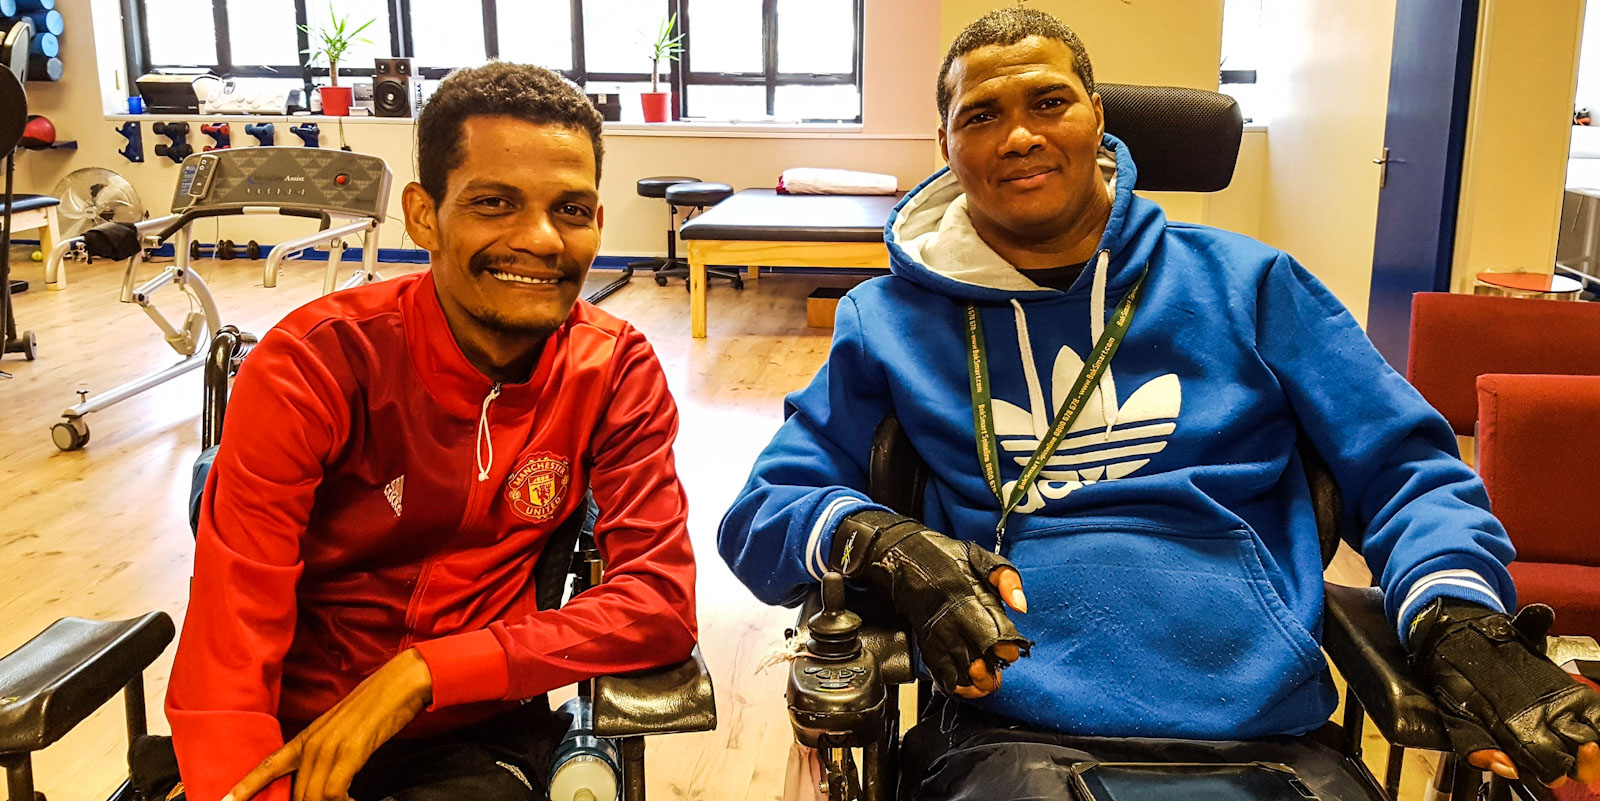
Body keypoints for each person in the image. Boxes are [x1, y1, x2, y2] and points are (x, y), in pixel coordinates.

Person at [718, 8, 1600, 800]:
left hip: (1265, 726)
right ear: (944, 143)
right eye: (980, 115)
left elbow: (1407, 468)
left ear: (1098, 117)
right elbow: (764, 511)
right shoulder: (888, 320)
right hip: (1010, 725)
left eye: (1049, 102)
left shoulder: (1251, 283)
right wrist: (887, 544)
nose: (1019, 136)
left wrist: (1458, 616)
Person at [166, 63, 698, 801]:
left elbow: (659, 602)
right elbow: (226, 660)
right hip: (289, 730)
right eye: (494, 203)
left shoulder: (612, 370)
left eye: (571, 209)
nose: (541, 239)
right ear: (423, 216)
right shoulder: (314, 365)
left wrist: (426, 671)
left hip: (473, 733)